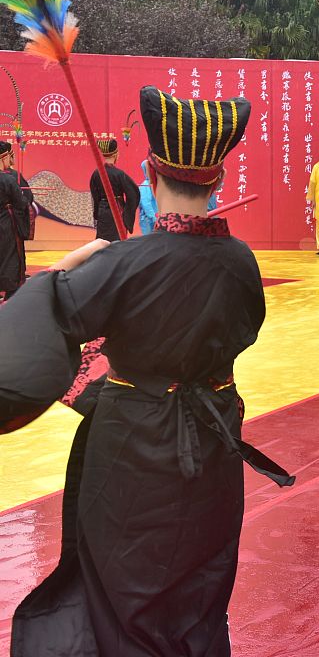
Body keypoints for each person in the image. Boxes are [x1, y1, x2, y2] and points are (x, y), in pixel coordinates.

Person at [0, 86, 293, 656]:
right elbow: (246, 329)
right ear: (217, 180)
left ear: (153, 174)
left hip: (134, 446)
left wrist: (63, 270)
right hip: (213, 442)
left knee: (127, 591)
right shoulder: (241, 262)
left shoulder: (122, 262)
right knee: (199, 586)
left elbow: (49, 319)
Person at [89, 138, 139, 241]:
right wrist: (127, 214)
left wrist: (97, 212)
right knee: (117, 241)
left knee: (102, 242)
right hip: (117, 210)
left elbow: (95, 196)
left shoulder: (96, 174)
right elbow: (133, 194)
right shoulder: (119, 174)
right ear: (116, 154)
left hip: (103, 211)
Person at [0, 140, 31, 301]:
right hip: (6, 223)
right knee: (11, 255)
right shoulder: (10, 179)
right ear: (4, 157)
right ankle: (11, 292)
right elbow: (22, 202)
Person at [137, 159, 158, 234]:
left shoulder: (153, 184)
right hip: (149, 220)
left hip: (154, 218)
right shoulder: (145, 185)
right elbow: (146, 203)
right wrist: (154, 218)